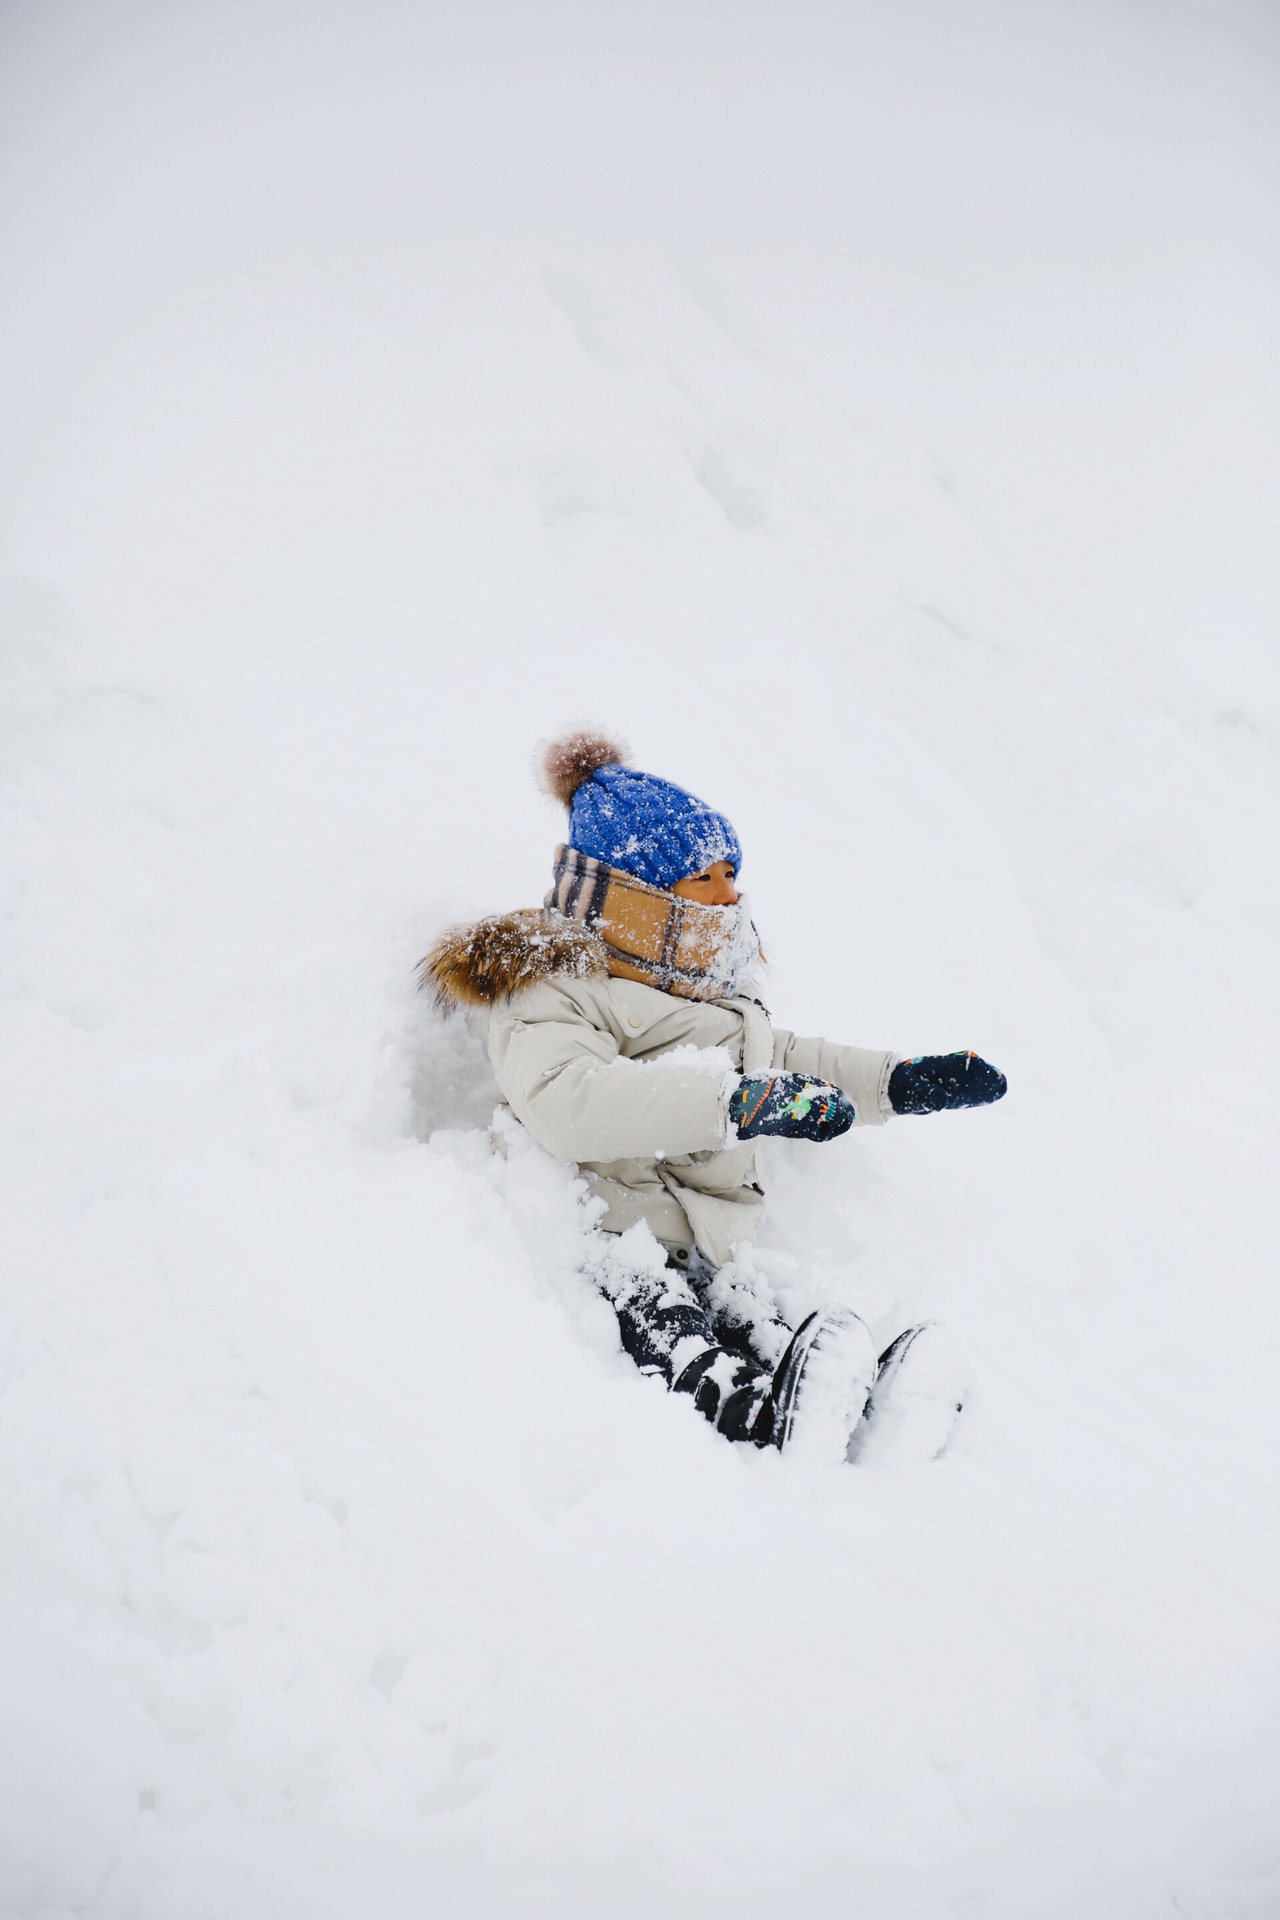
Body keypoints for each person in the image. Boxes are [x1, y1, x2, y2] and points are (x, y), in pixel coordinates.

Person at [423, 731, 1006, 1464]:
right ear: (640, 894)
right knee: (671, 1325)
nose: (732, 895)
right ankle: (757, 1419)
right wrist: (737, 1102)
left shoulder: (704, 996)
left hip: (709, 1243)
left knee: (760, 1314)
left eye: (733, 873)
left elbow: (787, 1057)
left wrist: (898, 1081)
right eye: (708, 878)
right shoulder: (550, 986)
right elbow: (569, 1102)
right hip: (608, 1236)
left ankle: (858, 1404)